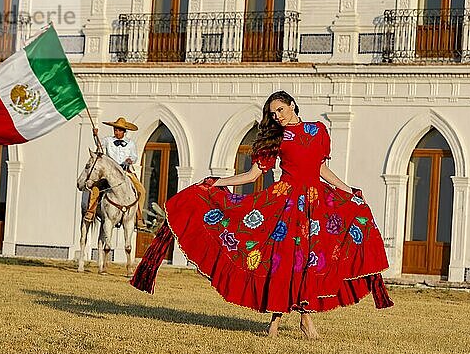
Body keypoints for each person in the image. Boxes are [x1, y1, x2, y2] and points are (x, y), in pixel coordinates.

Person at [130, 91, 393, 338]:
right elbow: (253, 175)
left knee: (309, 259)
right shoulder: (275, 138)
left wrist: (349, 190)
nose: (277, 115)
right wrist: (217, 183)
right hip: (284, 202)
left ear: (292, 105)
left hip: (315, 203)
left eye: (280, 109)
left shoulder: (319, 131)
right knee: (282, 259)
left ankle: (305, 317)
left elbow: (322, 169)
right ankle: (275, 319)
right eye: (273, 113)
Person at [85, 117, 147, 229]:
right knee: (95, 188)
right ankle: (91, 210)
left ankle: (138, 216)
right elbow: (99, 147)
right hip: (109, 173)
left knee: (141, 191)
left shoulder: (130, 143)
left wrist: (130, 160)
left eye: (119, 130)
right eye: (115, 130)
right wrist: (95, 136)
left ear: (124, 131)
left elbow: (134, 156)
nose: (117, 132)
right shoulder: (108, 140)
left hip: (125, 172)